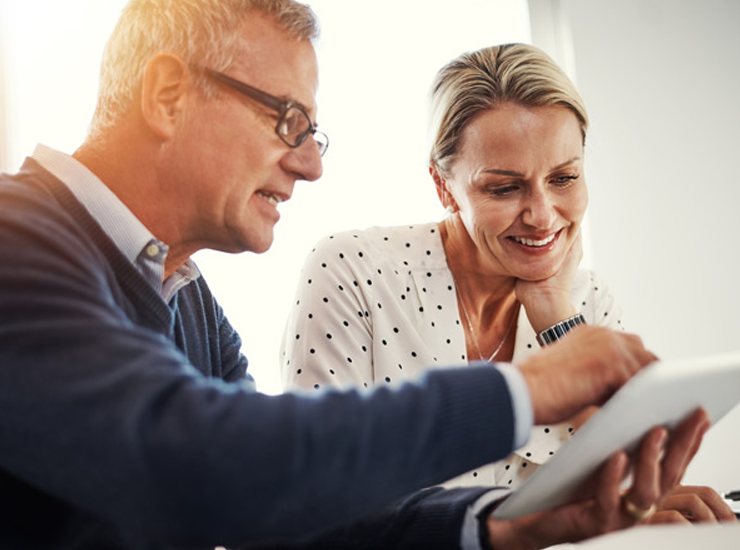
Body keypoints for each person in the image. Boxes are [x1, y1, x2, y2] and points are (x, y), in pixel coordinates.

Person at [0, 1, 713, 548]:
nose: (311, 163)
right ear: (165, 94)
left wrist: (506, 524)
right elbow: (197, 458)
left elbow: (283, 504)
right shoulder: (15, 240)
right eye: (287, 121)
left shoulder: (188, 300)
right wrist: (525, 388)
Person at [280, 43, 735, 525]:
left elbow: (634, 475)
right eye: (504, 188)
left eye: (564, 178)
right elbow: (321, 499)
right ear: (442, 185)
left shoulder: (587, 300)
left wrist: (555, 314)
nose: (542, 216)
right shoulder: (354, 274)